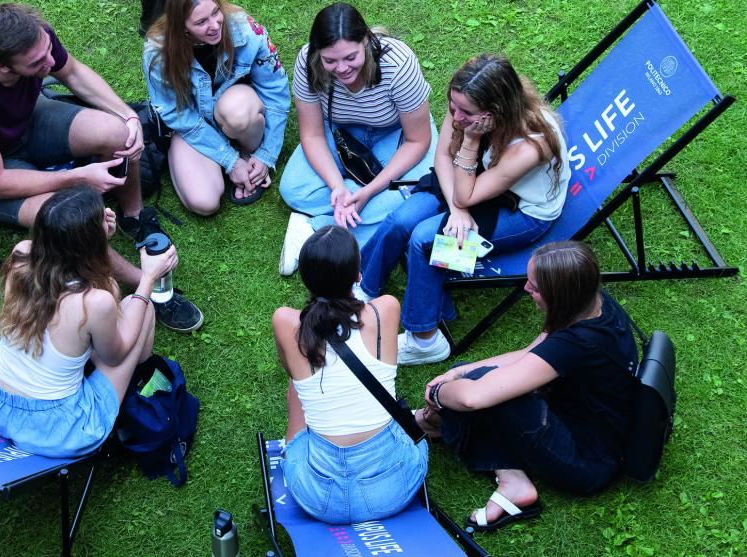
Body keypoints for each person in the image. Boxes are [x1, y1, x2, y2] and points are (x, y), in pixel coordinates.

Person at [0, 3, 202, 332]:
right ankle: (147, 283)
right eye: (37, 64)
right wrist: (77, 178)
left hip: (25, 121)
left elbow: (72, 72)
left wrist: (128, 116)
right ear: (0, 66)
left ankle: (133, 215)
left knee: (117, 133)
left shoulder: (33, 37)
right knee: (65, 219)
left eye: (48, 51)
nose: (49, 63)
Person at [356, 53, 570, 364]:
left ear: (496, 112)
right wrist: (458, 209)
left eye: (465, 113)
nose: (455, 117)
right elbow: (443, 157)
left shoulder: (531, 145)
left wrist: (469, 141)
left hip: (520, 210)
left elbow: (467, 194)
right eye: (452, 106)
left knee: (426, 241)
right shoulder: (466, 102)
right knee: (401, 220)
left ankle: (425, 340)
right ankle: (363, 287)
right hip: (470, 181)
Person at [415, 241, 638, 531]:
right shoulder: (592, 302)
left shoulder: (576, 342)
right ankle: (436, 425)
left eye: (535, 286)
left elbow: (473, 398)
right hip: (594, 428)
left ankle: (435, 426)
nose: (526, 289)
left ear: (560, 295)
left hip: (586, 462)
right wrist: (459, 372)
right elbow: (530, 354)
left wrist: (436, 393)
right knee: (474, 376)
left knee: (487, 395)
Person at [0, 187, 177, 458]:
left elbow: (78, 272)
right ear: (89, 244)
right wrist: (148, 279)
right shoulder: (95, 302)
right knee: (142, 309)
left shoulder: (22, 256)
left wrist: (94, 238)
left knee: (102, 323)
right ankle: (137, 393)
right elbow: (115, 356)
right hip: (58, 429)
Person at [272, 225, 429, 524]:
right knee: (411, 438)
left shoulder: (284, 322)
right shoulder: (385, 310)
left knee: (297, 381)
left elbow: (290, 370)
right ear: (358, 275)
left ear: (305, 278)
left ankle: (293, 445)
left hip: (318, 498)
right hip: (393, 491)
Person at [277, 2, 437, 275]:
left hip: (396, 135)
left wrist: (370, 190)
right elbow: (312, 134)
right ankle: (357, 212)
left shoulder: (398, 63)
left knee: (421, 188)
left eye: (350, 57)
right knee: (293, 188)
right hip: (341, 133)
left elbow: (418, 140)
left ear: (365, 40)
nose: (341, 68)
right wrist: (337, 186)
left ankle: (314, 227)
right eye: (330, 61)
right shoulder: (307, 61)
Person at [143, 0, 290, 214]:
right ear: (181, 25)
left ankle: (249, 155)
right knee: (205, 203)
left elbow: (275, 90)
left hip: (235, 110)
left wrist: (266, 154)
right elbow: (177, 116)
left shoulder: (245, 29)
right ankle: (232, 162)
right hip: (192, 127)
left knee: (238, 113)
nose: (214, 25)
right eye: (201, 22)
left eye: (215, 12)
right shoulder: (158, 53)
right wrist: (230, 160)